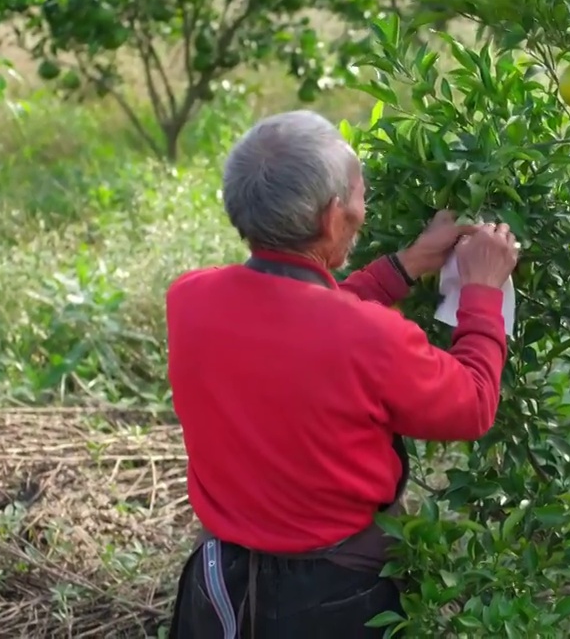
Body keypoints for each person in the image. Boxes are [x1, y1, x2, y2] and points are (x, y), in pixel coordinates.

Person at [164, 110, 520, 638]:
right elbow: (470, 403)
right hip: (333, 598)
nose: (363, 206)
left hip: (222, 587)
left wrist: (405, 264)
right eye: (359, 193)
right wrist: (484, 292)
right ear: (333, 217)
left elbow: (297, 319)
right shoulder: (369, 337)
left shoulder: (189, 299)